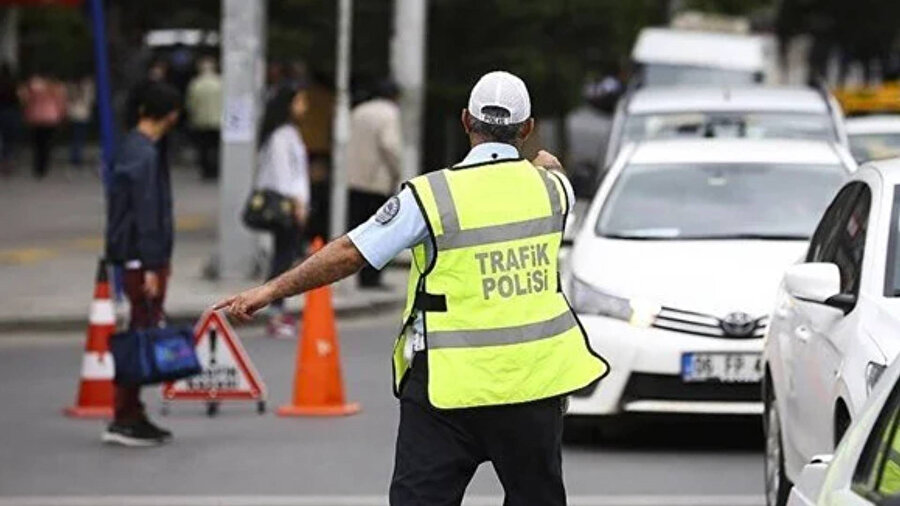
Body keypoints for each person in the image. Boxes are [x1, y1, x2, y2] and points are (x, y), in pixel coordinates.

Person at [216, 71, 609, 505]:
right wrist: (543, 162)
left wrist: (270, 291)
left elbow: (351, 252)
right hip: (534, 386)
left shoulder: (431, 196)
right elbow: (549, 168)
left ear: (465, 121)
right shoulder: (554, 190)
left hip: (447, 389)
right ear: (528, 128)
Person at [103, 82, 181, 446]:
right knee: (139, 334)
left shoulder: (132, 147)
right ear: (171, 114)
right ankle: (125, 416)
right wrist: (151, 264)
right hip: (141, 259)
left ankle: (131, 412)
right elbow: (146, 213)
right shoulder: (145, 155)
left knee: (140, 330)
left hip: (134, 257)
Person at [253, 84, 311, 338]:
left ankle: (278, 309)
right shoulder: (280, 136)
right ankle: (275, 311)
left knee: (285, 256)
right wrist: (297, 203)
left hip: (293, 204)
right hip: (286, 205)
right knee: (282, 259)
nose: (304, 107)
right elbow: (283, 174)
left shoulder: (289, 132)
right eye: (300, 101)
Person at [345, 79, 402, 288]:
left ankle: (360, 275)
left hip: (354, 178)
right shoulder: (389, 113)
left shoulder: (358, 111)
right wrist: (397, 170)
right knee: (380, 231)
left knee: (359, 230)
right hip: (377, 180)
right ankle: (372, 278)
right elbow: (389, 144)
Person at [19, 71, 66, 178]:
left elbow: (25, 99)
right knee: (46, 144)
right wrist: (62, 115)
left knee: (37, 143)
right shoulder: (56, 87)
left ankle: (37, 166)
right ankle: (44, 166)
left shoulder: (34, 85)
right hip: (51, 117)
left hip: (35, 117)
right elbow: (60, 102)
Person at [186, 57, 222, 180]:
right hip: (218, 120)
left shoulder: (196, 84)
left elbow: (191, 104)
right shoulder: (220, 83)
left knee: (204, 148)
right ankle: (216, 169)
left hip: (201, 120)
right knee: (216, 147)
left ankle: (206, 170)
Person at [66, 74, 95, 168]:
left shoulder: (71, 87)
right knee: (80, 137)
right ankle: (77, 157)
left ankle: (75, 156)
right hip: (83, 114)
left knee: (75, 136)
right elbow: (91, 100)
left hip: (73, 114)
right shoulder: (87, 87)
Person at [0, 63, 20, 175]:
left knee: (3, 138)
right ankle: (9, 161)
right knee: (10, 139)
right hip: (12, 112)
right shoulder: (14, 84)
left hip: (1, 111)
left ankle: (3, 161)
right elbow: (19, 99)